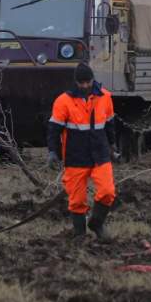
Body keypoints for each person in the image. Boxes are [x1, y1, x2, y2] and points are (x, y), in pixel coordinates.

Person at [47, 62, 118, 240]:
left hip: (100, 154)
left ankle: (96, 223)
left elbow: (110, 124)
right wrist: (53, 152)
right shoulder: (63, 101)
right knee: (77, 201)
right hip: (75, 157)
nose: (85, 86)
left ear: (93, 80)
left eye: (88, 82)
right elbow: (53, 130)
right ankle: (80, 235)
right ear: (76, 82)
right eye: (81, 83)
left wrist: (113, 145)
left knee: (108, 192)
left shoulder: (105, 97)